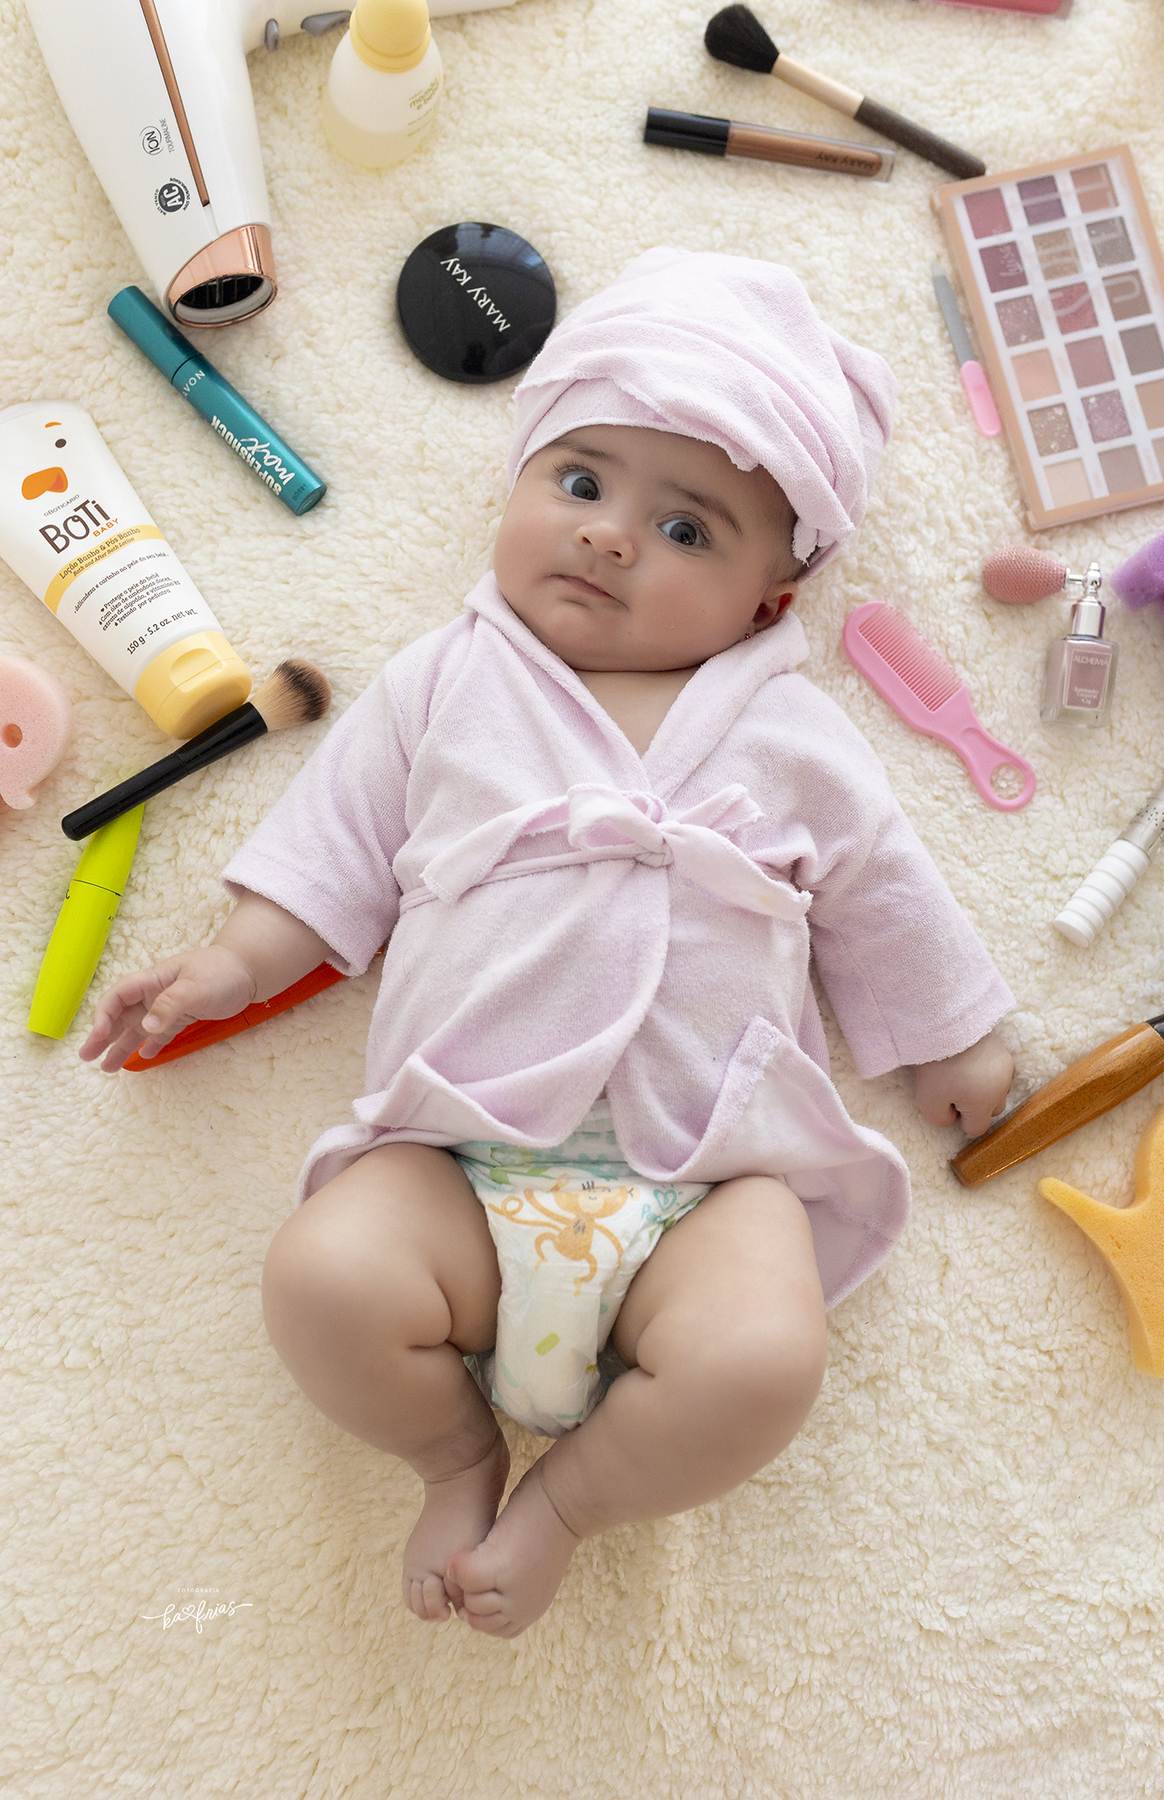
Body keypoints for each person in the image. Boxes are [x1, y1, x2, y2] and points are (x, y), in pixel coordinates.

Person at [80, 249, 1015, 1639]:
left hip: (709, 1177)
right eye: (579, 484)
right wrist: (229, 964)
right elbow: (332, 848)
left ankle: (565, 1505)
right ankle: (452, 1456)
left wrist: (950, 1033)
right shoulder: (446, 682)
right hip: (459, 1162)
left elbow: (883, 887)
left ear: (771, 602)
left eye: (687, 529)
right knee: (322, 1279)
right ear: (516, 485)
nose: (612, 537)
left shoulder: (790, 732)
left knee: (764, 1361)